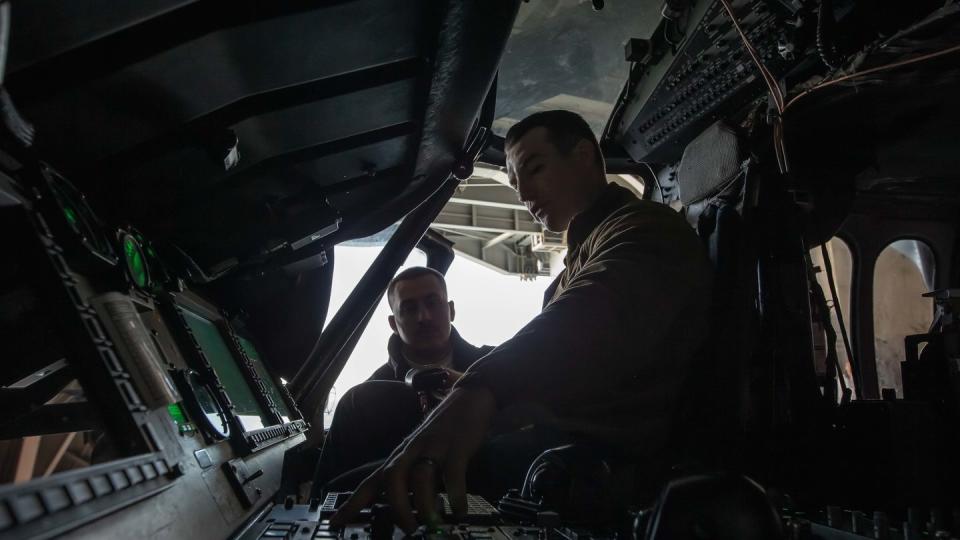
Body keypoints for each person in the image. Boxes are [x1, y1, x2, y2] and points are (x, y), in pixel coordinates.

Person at [331, 110, 713, 532]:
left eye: (535, 169)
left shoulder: (644, 228)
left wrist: (481, 387)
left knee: (353, 481)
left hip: (596, 453)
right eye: (515, 184)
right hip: (559, 431)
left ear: (585, 156)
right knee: (363, 405)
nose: (525, 193)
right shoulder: (587, 250)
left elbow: (585, 320)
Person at [311, 266, 492, 497]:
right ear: (393, 324)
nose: (423, 317)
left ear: (451, 310)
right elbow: (330, 493)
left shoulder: (494, 368)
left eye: (432, 303)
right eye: (409, 308)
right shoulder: (362, 402)